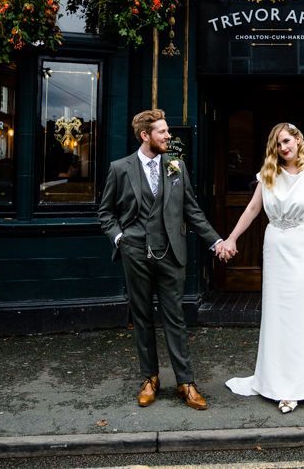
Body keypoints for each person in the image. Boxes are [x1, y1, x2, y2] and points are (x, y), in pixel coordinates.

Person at [98, 108, 223, 410]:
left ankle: (186, 383)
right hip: (136, 253)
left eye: (168, 131)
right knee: (141, 318)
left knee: (175, 319)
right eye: (163, 132)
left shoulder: (176, 166)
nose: (169, 136)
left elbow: (192, 210)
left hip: (171, 254)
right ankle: (149, 379)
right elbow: (106, 212)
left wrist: (216, 240)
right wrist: (120, 239)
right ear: (145, 135)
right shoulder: (120, 168)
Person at [219, 122, 304, 414]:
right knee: (276, 314)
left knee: (299, 316)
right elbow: (253, 209)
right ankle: (272, 380)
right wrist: (231, 237)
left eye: (286, 141)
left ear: (298, 140)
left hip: (303, 246)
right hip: (276, 247)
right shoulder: (269, 174)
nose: (283, 148)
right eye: (278, 144)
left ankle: (296, 387)